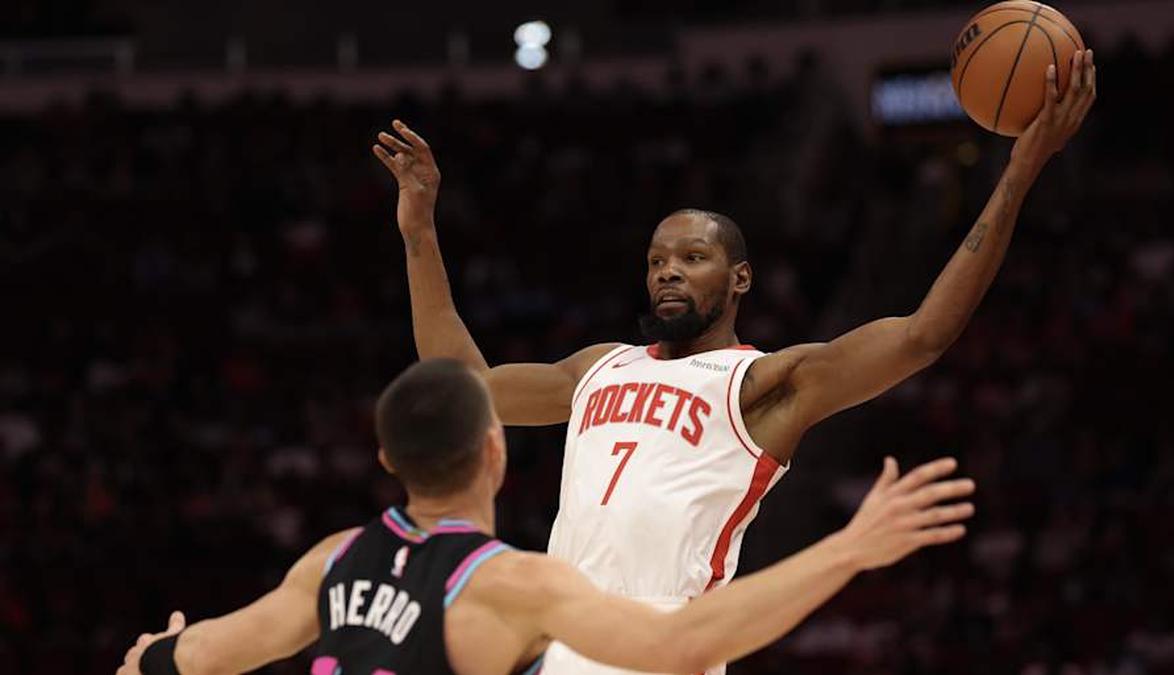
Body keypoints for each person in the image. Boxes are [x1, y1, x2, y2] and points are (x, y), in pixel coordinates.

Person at [372, 51, 1096, 673]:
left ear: (740, 279)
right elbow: (464, 387)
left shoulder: (763, 384)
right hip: (563, 645)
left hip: (670, 648)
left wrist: (1019, 171)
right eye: (657, 259)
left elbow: (921, 336)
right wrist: (419, 232)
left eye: (693, 257)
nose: (668, 271)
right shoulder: (599, 367)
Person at [118, 359, 974, 675]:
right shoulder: (512, 584)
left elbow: (195, 655)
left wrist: (151, 653)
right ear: (497, 450)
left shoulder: (332, 562)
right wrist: (849, 548)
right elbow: (681, 648)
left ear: (387, 459)